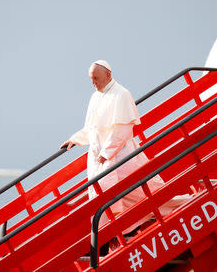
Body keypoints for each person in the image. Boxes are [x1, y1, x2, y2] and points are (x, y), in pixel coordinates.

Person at [61, 60, 189, 234]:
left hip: (120, 155)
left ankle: (181, 205)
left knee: (140, 192)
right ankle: (114, 233)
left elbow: (122, 129)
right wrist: (75, 139)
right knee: (104, 196)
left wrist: (106, 153)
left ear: (108, 75)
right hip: (100, 158)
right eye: (92, 80)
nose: (94, 84)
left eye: (96, 79)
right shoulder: (95, 96)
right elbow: (92, 128)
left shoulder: (121, 94)